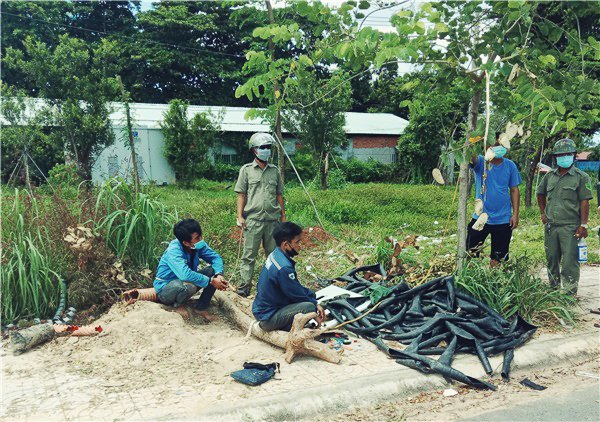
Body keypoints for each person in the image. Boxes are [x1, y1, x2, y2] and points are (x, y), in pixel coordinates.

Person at [537, 138, 592, 296]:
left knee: (569, 262)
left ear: (574, 155)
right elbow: (540, 194)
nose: (564, 157)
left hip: (570, 226)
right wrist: (543, 213)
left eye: (568, 154)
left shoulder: (581, 177)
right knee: (552, 259)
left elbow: (584, 202)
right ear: (555, 157)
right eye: (561, 154)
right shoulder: (549, 176)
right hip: (551, 227)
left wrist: (584, 225)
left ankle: (568, 294)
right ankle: (553, 290)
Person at [234, 133, 286, 297]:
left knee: (273, 256)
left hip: (272, 221)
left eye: (268, 148)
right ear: (254, 150)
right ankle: (245, 286)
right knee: (249, 256)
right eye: (262, 148)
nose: (266, 151)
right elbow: (241, 194)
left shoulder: (274, 171)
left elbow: (279, 195)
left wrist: (283, 216)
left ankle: (271, 287)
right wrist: (240, 216)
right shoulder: (247, 170)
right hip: (253, 221)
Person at [252, 222, 325, 331]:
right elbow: (296, 294)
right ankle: (289, 328)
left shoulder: (275, 254)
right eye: (297, 242)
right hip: (268, 318)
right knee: (308, 306)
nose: (300, 246)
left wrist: (311, 294)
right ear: (286, 244)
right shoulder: (284, 268)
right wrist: (315, 305)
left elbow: (294, 287)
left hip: (261, 309)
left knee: (309, 295)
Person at [154, 219, 229, 320]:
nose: (201, 239)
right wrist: (211, 281)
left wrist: (218, 275)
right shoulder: (174, 250)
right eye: (197, 238)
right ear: (185, 242)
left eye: (200, 236)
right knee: (180, 286)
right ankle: (177, 305)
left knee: (212, 271)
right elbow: (184, 275)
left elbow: (215, 258)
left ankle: (201, 307)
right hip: (167, 289)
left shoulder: (196, 244)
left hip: (186, 283)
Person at [467, 137, 522, 267]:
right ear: (487, 147)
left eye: (501, 144)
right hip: (480, 218)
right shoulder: (482, 162)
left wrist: (515, 214)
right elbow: (472, 158)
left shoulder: (510, 165)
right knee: (470, 253)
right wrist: (473, 140)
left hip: (503, 219)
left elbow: (514, 190)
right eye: (494, 144)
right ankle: (470, 280)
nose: (498, 147)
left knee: (498, 258)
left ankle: (494, 283)